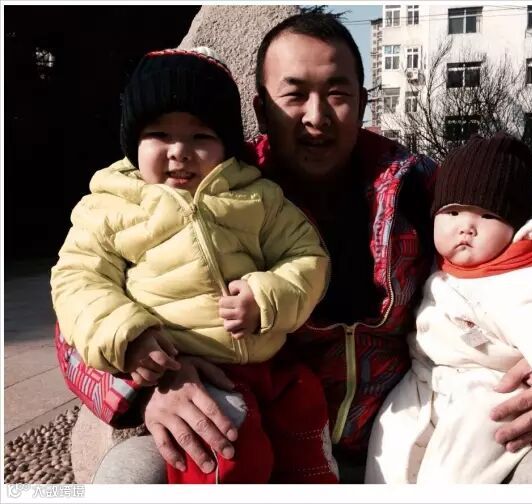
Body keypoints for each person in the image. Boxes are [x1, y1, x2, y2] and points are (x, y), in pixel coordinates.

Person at [54, 12, 532, 484]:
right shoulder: (204, 191)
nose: (316, 116)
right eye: (294, 95)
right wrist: (148, 384)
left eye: (337, 94)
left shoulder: (422, 189)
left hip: (419, 437)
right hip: (253, 431)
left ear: (363, 102)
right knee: (134, 472)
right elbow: (75, 306)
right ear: (261, 108)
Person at [51, 46, 337, 483]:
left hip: (270, 366)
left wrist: (267, 296)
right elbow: (77, 278)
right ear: (132, 141)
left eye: (200, 136)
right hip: (186, 371)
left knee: (308, 428)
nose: (179, 151)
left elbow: (308, 257)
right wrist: (128, 337)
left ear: (226, 145)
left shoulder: (255, 195)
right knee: (227, 449)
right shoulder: (111, 205)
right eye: (159, 134)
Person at [365, 133, 532, 484]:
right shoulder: (444, 265)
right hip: (425, 381)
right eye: (452, 212)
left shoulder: (524, 280)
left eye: (488, 215)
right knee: (390, 441)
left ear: (514, 227)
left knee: (451, 469)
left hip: (488, 391)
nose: (466, 226)